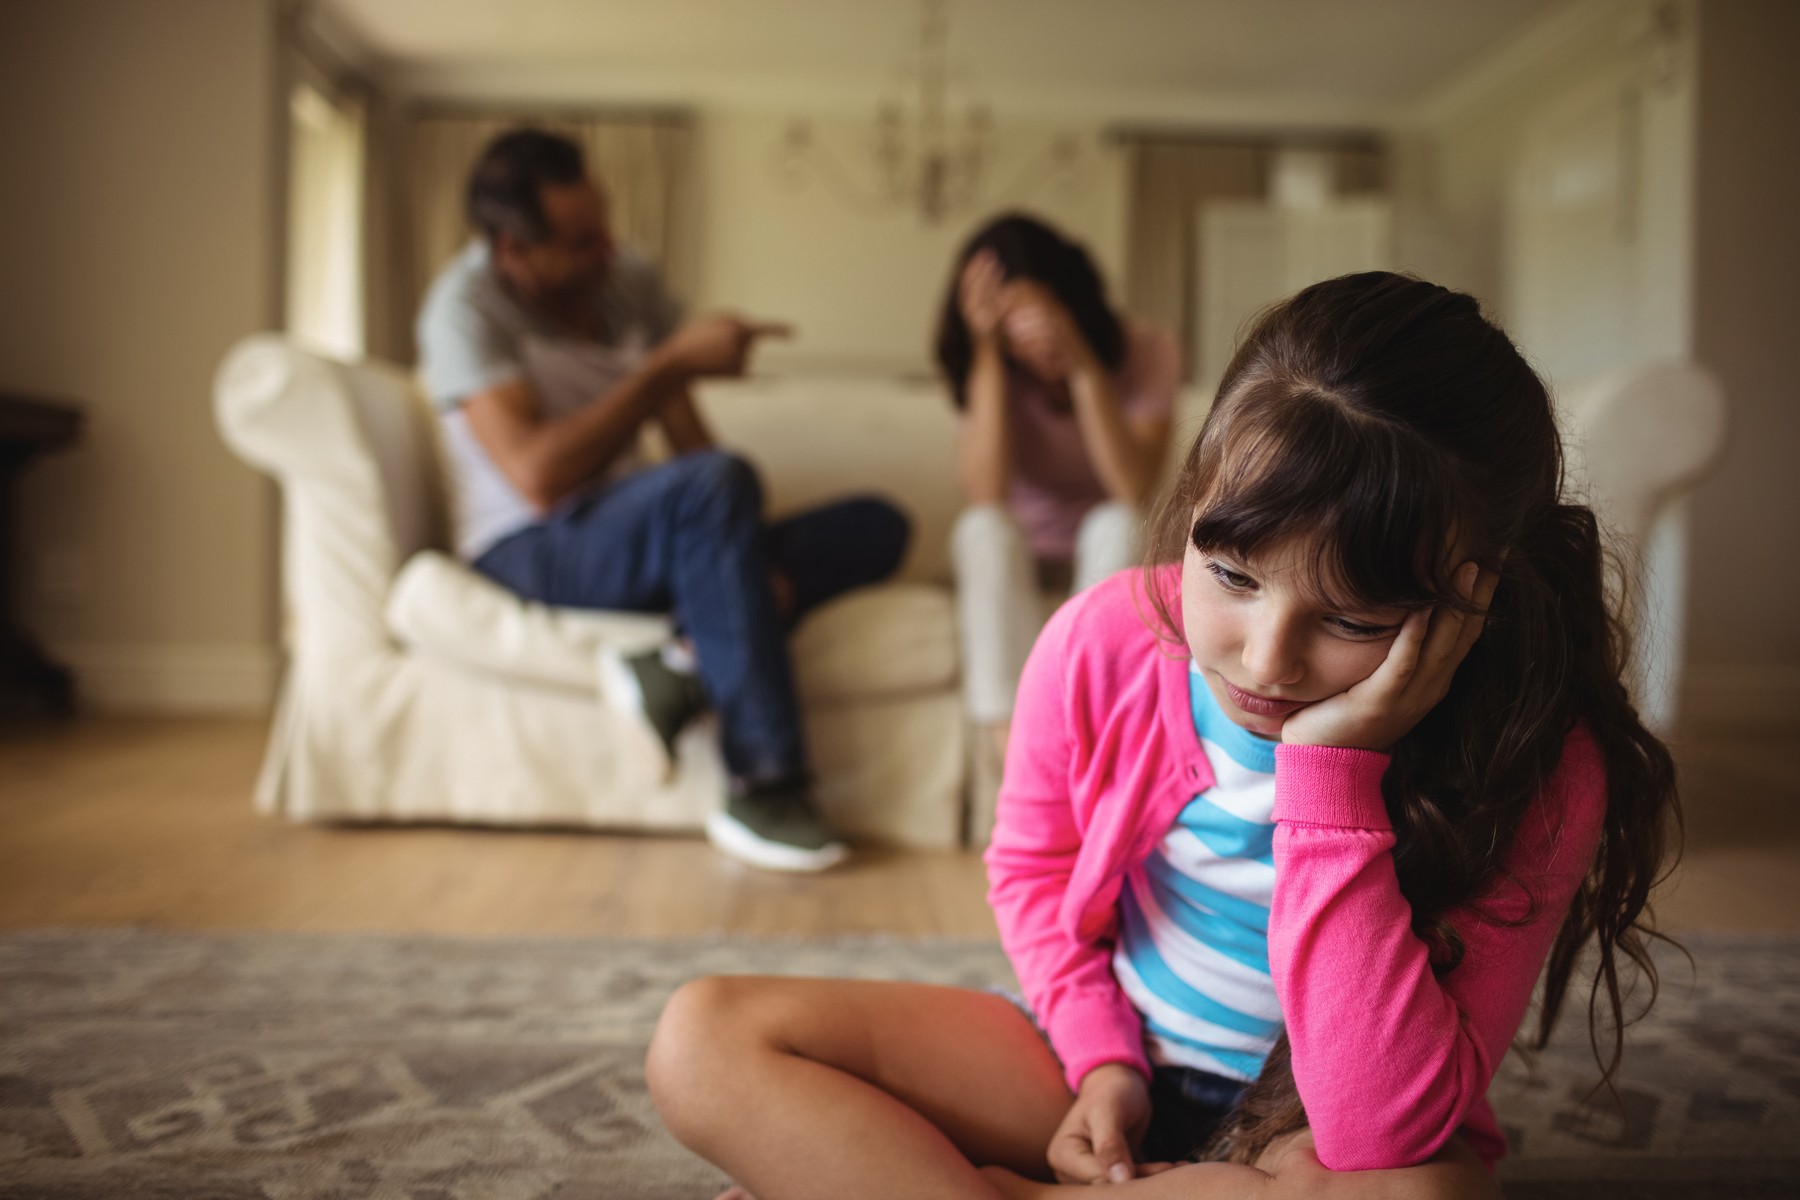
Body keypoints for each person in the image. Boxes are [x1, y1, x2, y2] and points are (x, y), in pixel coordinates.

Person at [644, 272, 1679, 1198]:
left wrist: (1329, 775)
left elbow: (1384, 1126)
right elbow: (1033, 872)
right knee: (705, 1040)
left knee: (1423, 1197)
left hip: (1311, 1129)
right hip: (1096, 1055)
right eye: (1232, 576)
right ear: (1192, 504)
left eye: (1353, 620)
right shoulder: (1103, 640)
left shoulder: (1540, 759)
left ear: (1469, 599)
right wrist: (1102, 1061)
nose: (1268, 660)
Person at [416, 128, 910, 873]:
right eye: (581, 243)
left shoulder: (627, 282)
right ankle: (764, 786)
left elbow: (695, 451)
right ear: (514, 249)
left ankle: (676, 661)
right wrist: (667, 367)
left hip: (633, 530)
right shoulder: (465, 309)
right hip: (527, 546)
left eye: (605, 227)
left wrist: (733, 559)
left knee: (877, 524)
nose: (607, 251)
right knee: (715, 488)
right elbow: (537, 478)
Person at [936, 214, 1178, 759]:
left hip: (1110, 550)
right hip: (1023, 552)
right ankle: (1018, 754)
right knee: (983, 528)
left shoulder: (1148, 348)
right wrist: (988, 353)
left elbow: (1132, 484)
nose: (1031, 339)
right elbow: (985, 492)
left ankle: (1082, 728)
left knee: (1117, 519)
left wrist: (1078, 360)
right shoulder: (983, 364)